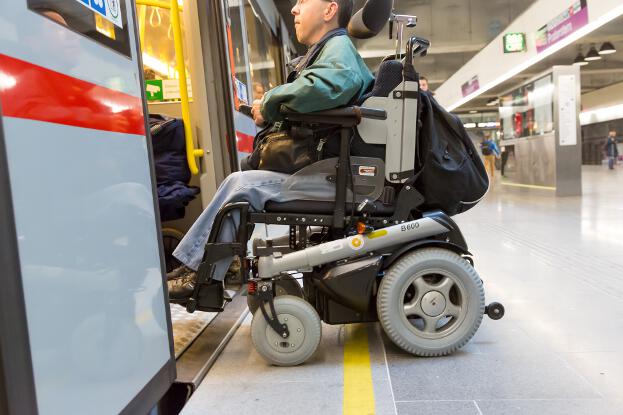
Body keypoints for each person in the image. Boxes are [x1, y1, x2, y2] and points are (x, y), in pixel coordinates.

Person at [167, 0, 374, 300]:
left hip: (338, 177)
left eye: (303, 1)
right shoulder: (331, 50)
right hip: (333, 171)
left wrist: (269, 103)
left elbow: (324, 87)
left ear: (329, 11)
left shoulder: (338, 49)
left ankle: (201, 275)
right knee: (240, 178)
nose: (294, 9)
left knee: (241, 186)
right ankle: (199, 267)